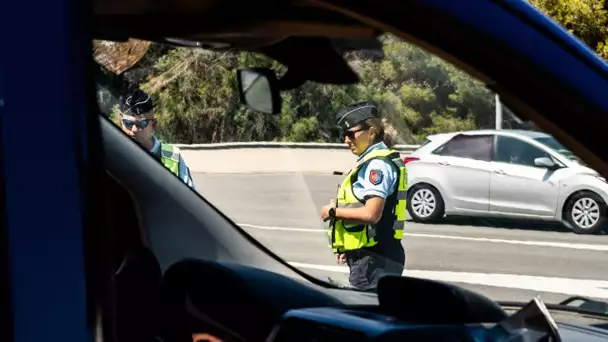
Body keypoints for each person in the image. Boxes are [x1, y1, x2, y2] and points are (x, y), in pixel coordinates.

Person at [321, 101, 407, 290]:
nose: (346, 139)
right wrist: (347, 246)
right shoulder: (372, 161)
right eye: (344, 134)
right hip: (371, 256)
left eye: (351, 133)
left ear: (371, 132)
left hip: (374, 260)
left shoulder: (377, 166)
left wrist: (333, 212)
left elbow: (371, 214)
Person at [120, 89, 195, 189]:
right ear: (121, 122)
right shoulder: (113, 153)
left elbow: (188, 198)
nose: (134, 130)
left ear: (153, 125)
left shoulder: (173, 156)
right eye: (128, 123)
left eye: (141, 124)